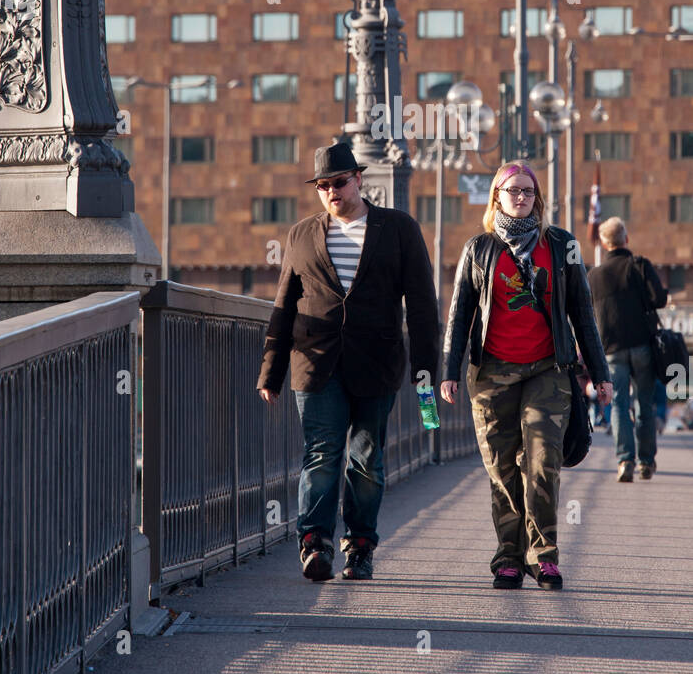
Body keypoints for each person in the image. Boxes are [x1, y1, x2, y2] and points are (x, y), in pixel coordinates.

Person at [257, 143, 439, 580]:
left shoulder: (397, 229)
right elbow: (284, 305)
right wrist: (271, 370)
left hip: (376, 363)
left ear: (359, 179)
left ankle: (360, 546)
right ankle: (314, 542)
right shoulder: (302, 234)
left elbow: (421, 304)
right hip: (314, 364)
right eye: (323, 186)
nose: (331, 192)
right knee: (321, 453)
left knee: (366, 457)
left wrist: (426, 371)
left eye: (339, 182)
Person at [440, 162, 611, 590]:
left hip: (547, 369)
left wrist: (601, 373)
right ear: (496, 196)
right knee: (501, 468)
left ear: (537, 199)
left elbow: (582, 315)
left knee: (542, 461)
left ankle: (545, 554)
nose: (521, 197)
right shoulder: (478, 248)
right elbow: (460, 314)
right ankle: (509, 556)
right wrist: (448, 371)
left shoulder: (562, 246)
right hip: (492, 372)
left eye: (528, 191)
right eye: (512, 190)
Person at [587, 216, 668, 482]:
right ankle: (646, 461)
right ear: (626, 239)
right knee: (645, 403)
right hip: (642, 345)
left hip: (610, 349)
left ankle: (625, 461)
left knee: (619, 404)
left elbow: (586, 314)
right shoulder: (639, 265)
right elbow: (659, 299)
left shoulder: (594, 276)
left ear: (603, 243)